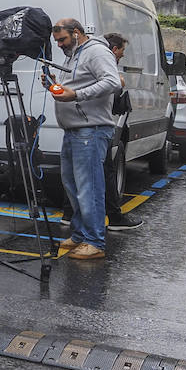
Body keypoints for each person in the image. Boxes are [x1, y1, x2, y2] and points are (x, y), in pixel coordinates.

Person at [50, 18, 123, 260]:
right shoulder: (73, 53)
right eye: (57, 41)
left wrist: (76, 95)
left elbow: (113, 82)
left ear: (77, 33)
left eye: (62, 39)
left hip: (90, 130)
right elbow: (75, 84)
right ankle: (81, 235)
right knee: (73, 186)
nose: (59, 45)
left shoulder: (96, 52)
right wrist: (54, 85)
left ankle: (95, 241)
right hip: (75, 129)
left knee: (89, 187)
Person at [102, 33, 143, 231]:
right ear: (114, 49)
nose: (123, 56)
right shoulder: (105, 61)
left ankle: (69, 214)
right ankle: (114, 217)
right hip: (99, 126)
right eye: (122, 51)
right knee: (107, 170)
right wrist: (120, 82)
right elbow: (107, 86)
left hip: (93, 125)